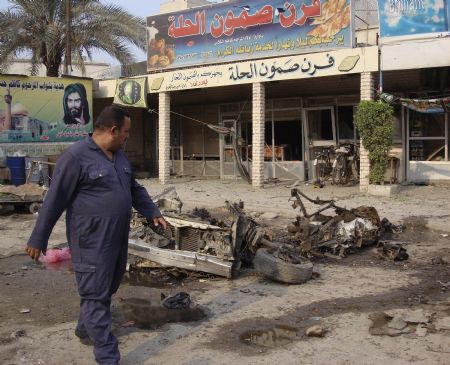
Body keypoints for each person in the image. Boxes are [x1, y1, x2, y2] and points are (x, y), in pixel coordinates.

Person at [26, 105, 167, 365]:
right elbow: (54, 200)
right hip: (91, 241)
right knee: (95, 295)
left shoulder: (120, 156)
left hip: (117, 239)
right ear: (113, 131)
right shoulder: (75, 157)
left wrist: (152, 211)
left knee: (107, 288)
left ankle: (85, 327)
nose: (127, 136)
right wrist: (38, 238)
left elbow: (134, 188)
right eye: (125, 132)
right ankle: (107, 356)